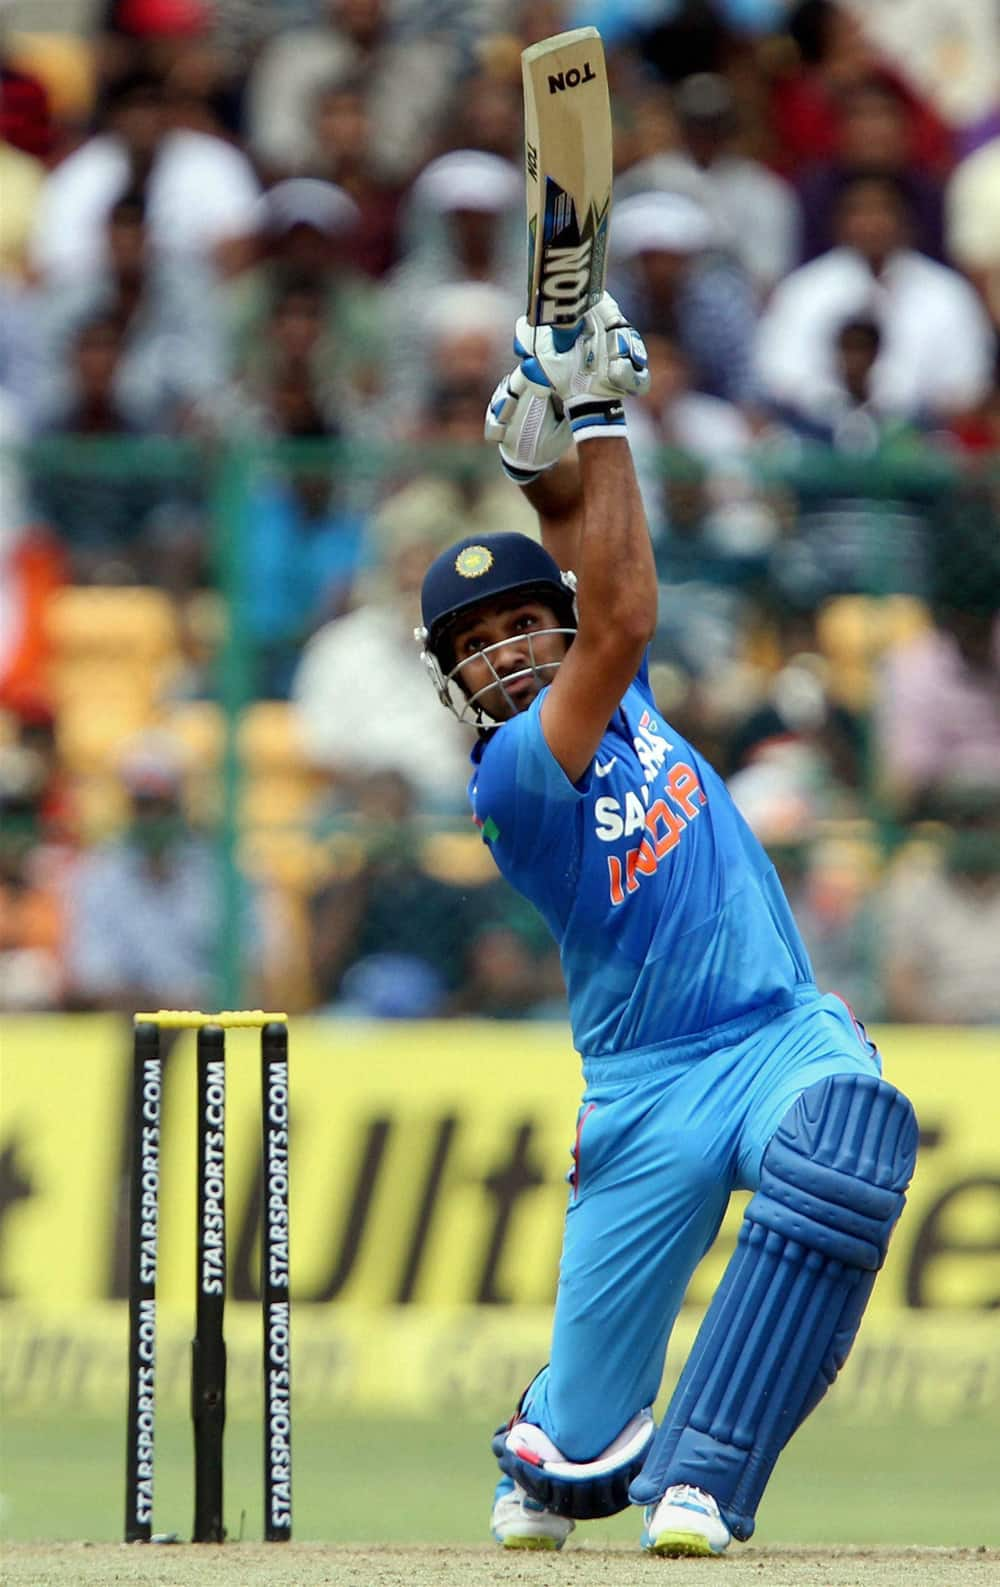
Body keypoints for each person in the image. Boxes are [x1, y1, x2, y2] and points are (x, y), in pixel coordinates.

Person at [414, 295, 917, 1556]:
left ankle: (703, 1476)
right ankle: (560, 1437)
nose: (505, 655)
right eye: (471, 646)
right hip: (645, 1090)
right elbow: (624, 606)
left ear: (557, 626)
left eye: (522, 624)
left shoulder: (608, 675)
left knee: (843, 1150)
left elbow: (596, 560)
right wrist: (595, 410)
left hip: (776, 1033)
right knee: (566, 1462)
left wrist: (540, 452)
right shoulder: (517, 776)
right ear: (450, 682)